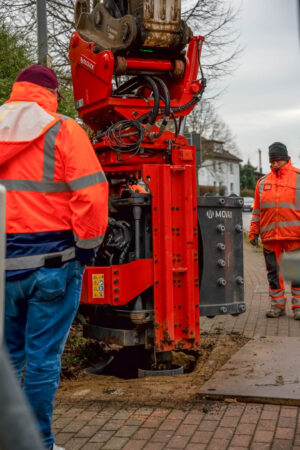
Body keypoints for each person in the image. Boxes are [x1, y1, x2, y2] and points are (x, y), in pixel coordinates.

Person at [0, 65, 108, 450]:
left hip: (4, 265)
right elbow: (92, 194)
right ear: (53, 95)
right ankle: (37, 443)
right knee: (42, 359)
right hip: (53, 265)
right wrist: (86, 247)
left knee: (8, 359)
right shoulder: (63, 129)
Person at [249, 142, 300, 319]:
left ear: (286, 159)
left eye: (278, 160)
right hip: (270, 237)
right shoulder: (262, 183)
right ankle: (277, 306)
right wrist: (254, 232)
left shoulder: (298, 178)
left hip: (294, 236)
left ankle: (298, 307)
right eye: (273, 161)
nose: (275, 164)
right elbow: (257, 210)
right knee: (273, 274)